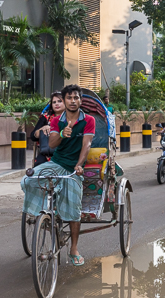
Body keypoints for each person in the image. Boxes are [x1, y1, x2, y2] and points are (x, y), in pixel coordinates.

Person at [21, 84, 95, 266]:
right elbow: (52, 143)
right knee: (28, 179)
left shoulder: (89, 120)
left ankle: (74, 248)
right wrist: (63, 132)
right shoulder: (56, 121)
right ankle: (44, 213)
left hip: (73, 168)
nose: (72, 101)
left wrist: (79, 165)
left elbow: (87, 145)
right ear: (64, 100)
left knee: (74, 210)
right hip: (56, 163)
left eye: (76, 98)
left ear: (80, 100)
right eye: (69, 98)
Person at [30, 91, 65, 166]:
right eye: (54, 102)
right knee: (38, 166)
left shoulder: (72, 117)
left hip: (66, 153)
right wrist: (41, 130)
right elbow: (33, 136)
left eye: (60, 101)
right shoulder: (46, 118)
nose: (57, 104)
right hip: (47, 153)